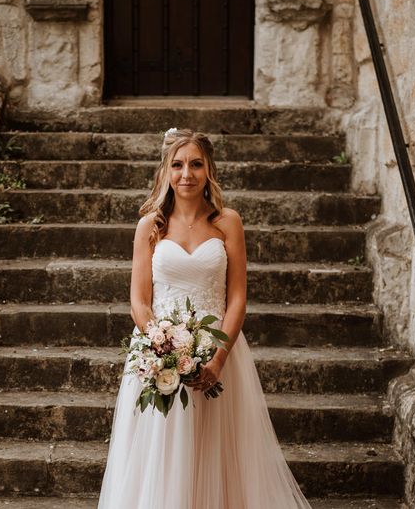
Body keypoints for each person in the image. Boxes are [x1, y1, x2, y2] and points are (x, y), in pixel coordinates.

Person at [97, 128, 312, 509]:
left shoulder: (228, 221)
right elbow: (139, 301)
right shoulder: (150, 225)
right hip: (158, 355)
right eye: (178, 165)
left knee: (220, 449)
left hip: (219, 350)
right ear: (165, 170)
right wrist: (162, 349)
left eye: (196, 164)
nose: (186, 174)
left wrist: (216, 361)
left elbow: (238, 299)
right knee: (163, 451)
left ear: (209, 169)